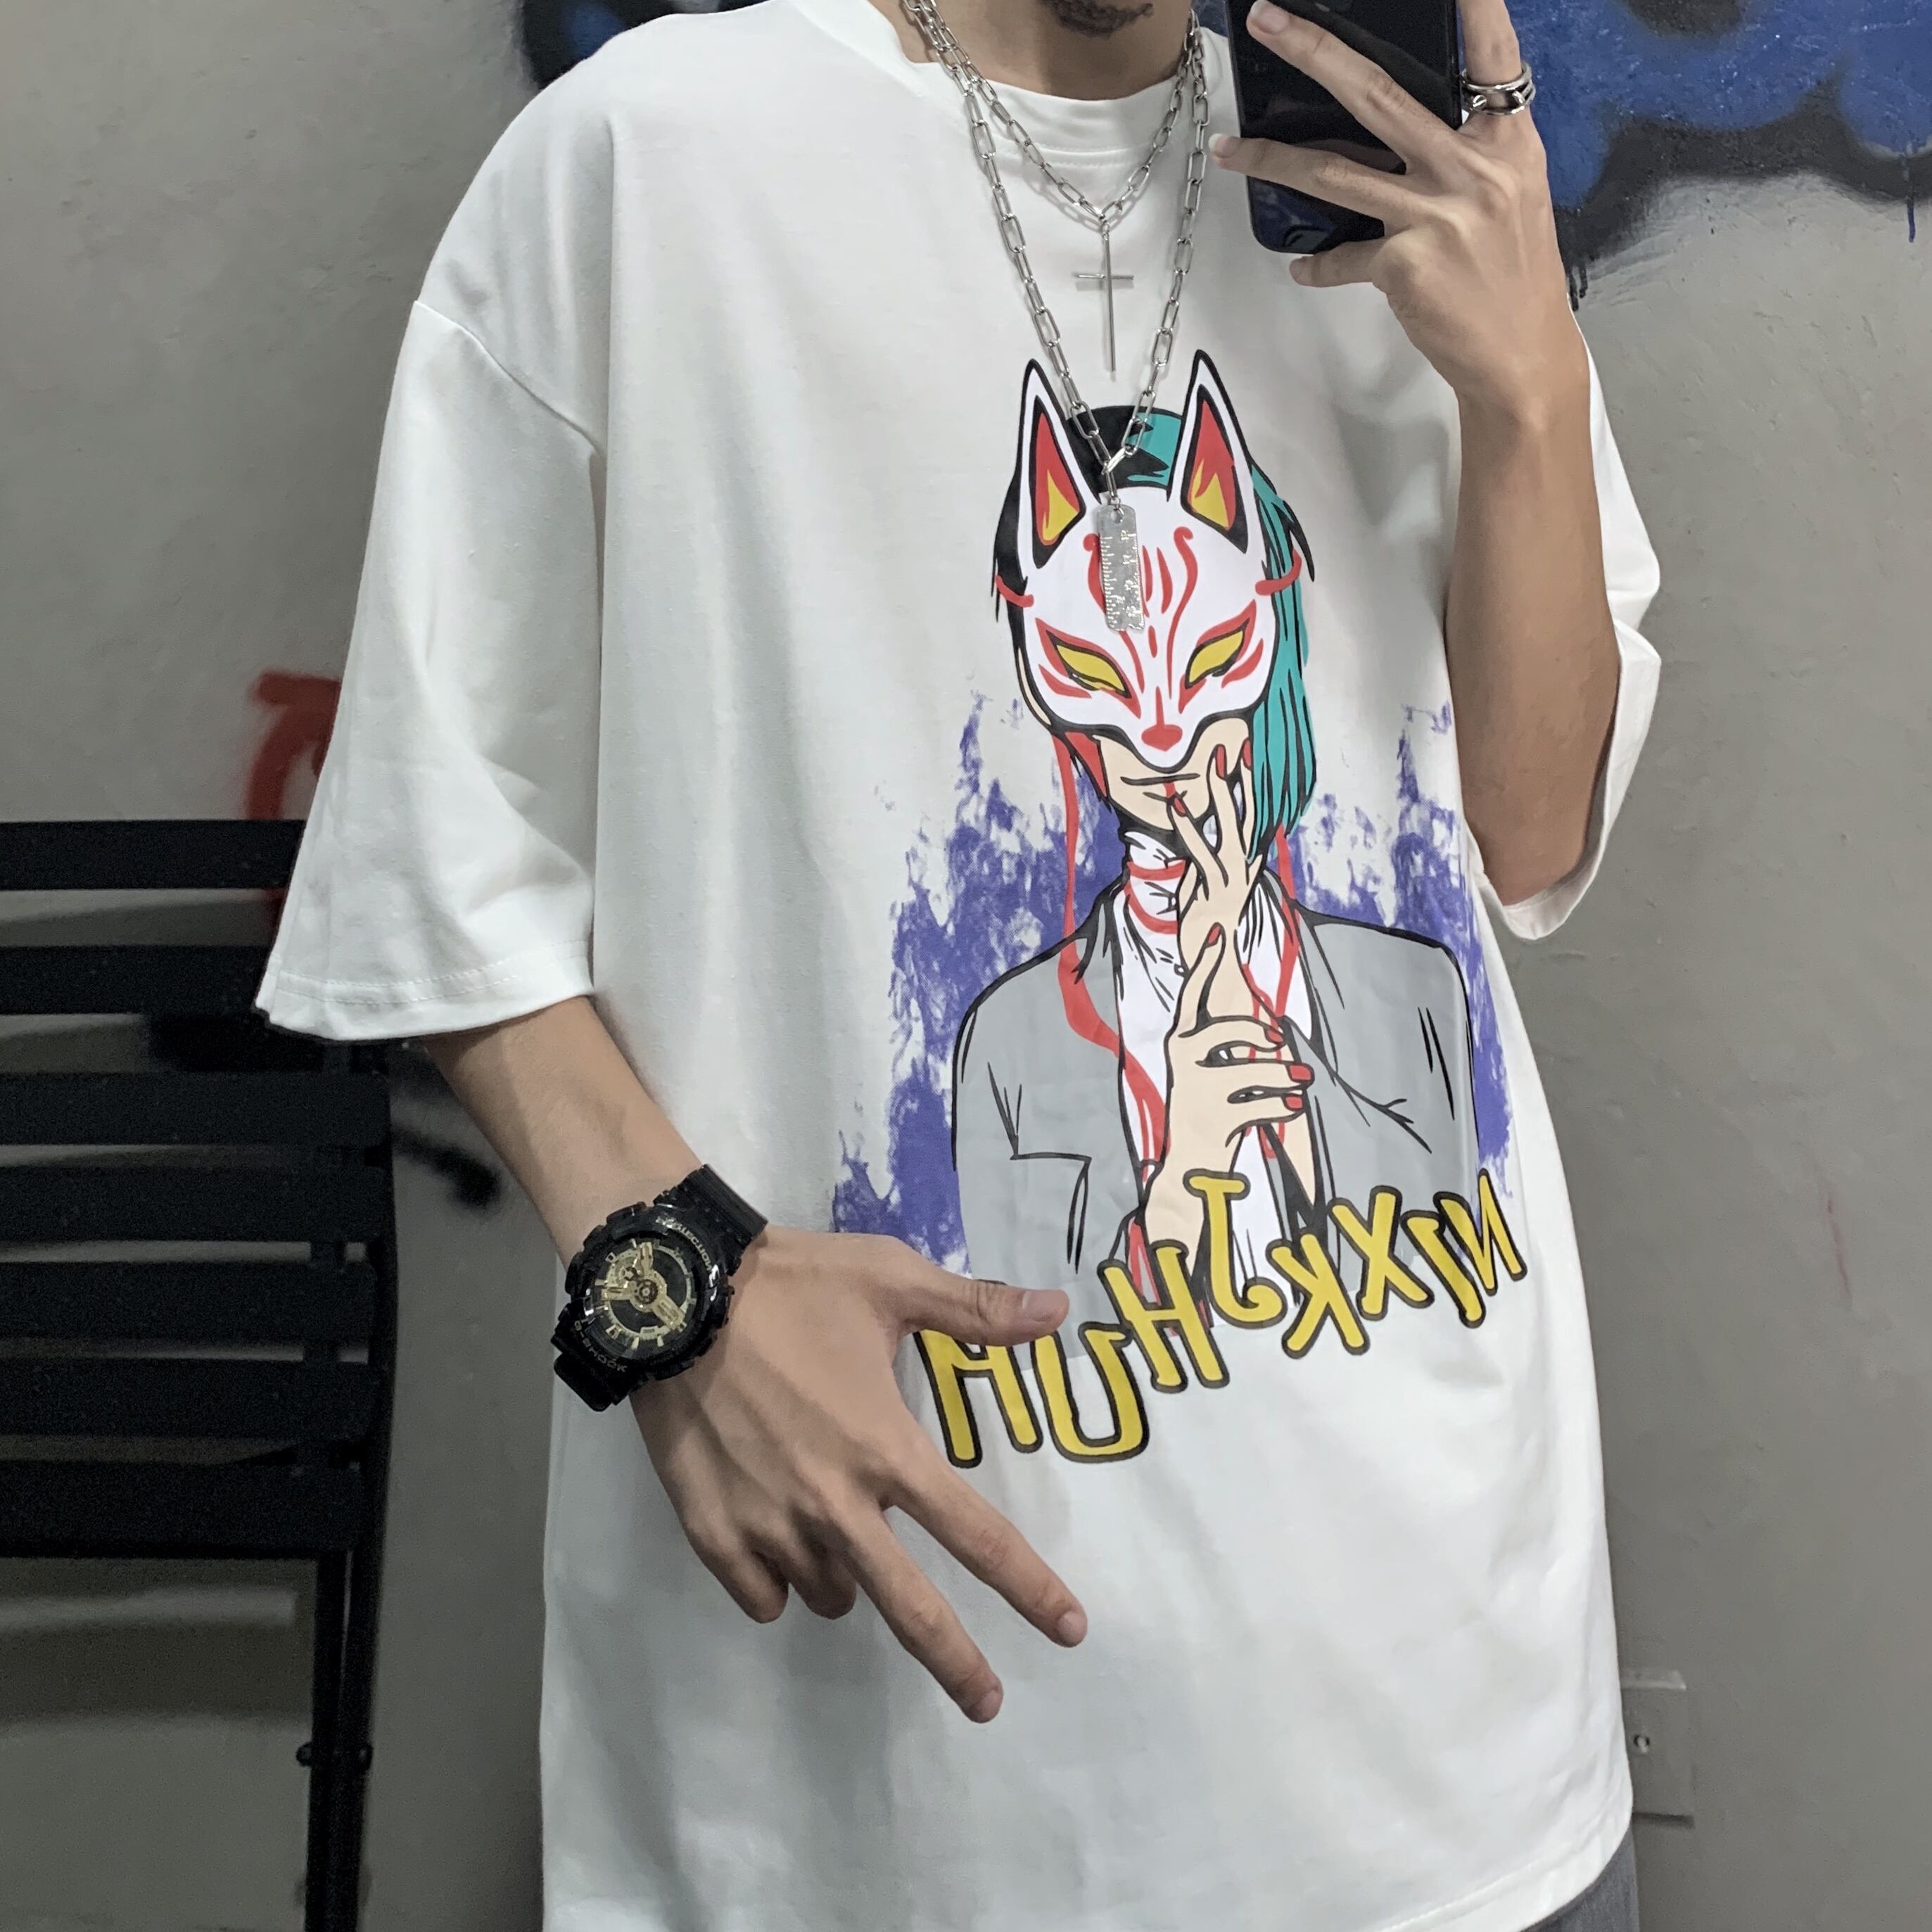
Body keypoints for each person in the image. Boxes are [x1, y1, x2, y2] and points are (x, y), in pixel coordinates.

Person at [254, 0, 1660, 1924]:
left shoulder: (1391, 192)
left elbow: (1533, 827)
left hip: (1467, 1732)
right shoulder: (653, 160)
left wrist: (1531, 388)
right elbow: (432, 852)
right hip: (911, 1780)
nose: (1157, 730)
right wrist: (678, 1287)